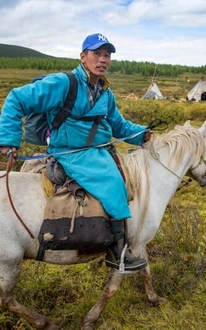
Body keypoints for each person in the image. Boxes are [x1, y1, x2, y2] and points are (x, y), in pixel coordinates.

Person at [0, 33, 152, 273]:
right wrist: (9, 140)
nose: (102, 59)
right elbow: (16, 99)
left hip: (98, 151)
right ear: (83, 56)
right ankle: (118, 254)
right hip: (71, 153)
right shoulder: (63, 83)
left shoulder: (105, 92)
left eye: (107, 55)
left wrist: (143, 134)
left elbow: (118, 126)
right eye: (97, 54)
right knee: (114, 184)